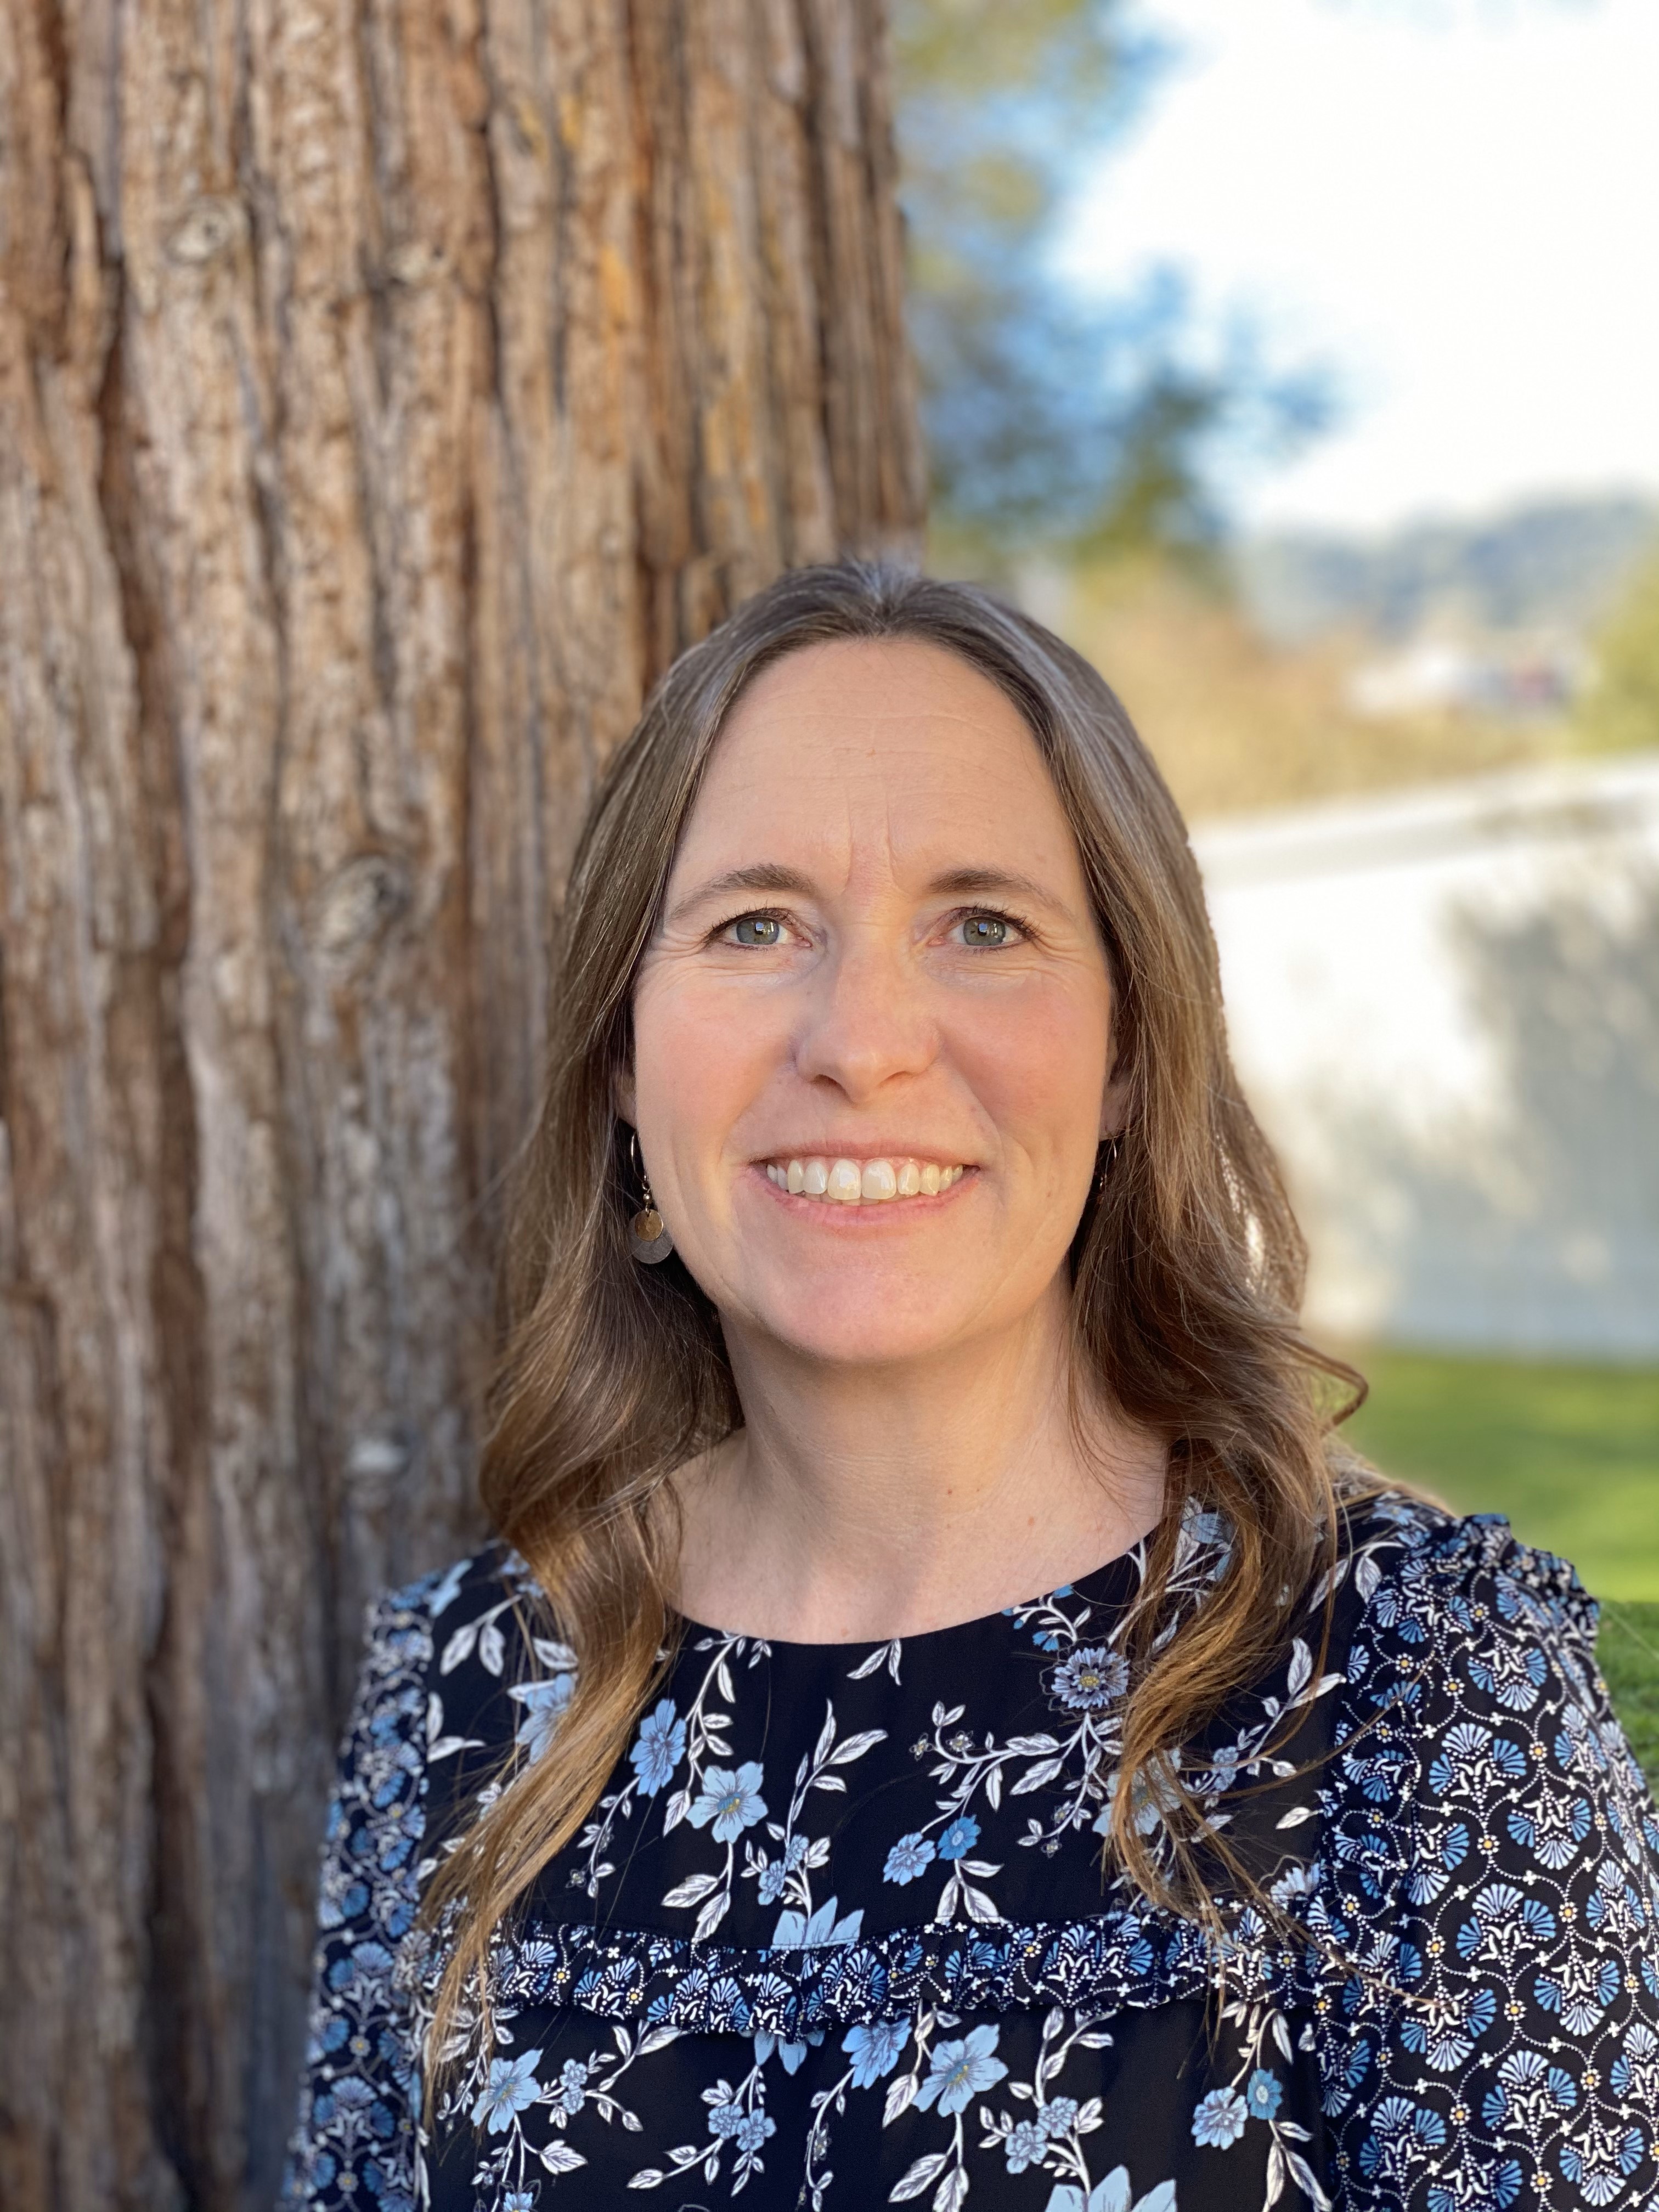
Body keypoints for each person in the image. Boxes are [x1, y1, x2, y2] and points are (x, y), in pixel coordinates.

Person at [280, 563, 1659, 2212]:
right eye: (755, 924)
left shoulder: (1413, 1689)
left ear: (1132, 1050)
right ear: (626, 1071)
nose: (862, 1040)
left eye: (985, 925)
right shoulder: (462, 1694)